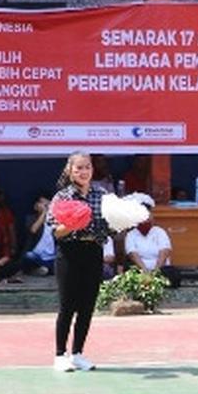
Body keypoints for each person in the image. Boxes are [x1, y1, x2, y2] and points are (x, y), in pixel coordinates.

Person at [45, 152, 113, 372]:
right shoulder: (62, 197)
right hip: (69, 254)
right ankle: (59, 355)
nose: (84, 172)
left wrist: (122, 220)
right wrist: (74, 223)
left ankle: (77, 353)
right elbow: (56, 232)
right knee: (67, 306)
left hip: (94, 252)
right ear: (70, 171)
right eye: (79, 168)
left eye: (87, 167)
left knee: (87, 306)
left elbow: (109, 226)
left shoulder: (102, 194)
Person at [123, 195, 181, 288]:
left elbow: (164, 252)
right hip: (141, 270)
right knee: (131, 276)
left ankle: (154, 281)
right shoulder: (131, 235)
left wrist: (155, 272)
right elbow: (133, 255)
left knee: (173, 275)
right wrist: (145, 271)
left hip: (159, 269)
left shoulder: (159, 232)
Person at [22, 193, 56, 276]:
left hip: (51, 258)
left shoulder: (55, 220)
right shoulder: (30, 218)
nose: (45, 206)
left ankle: (44, 270)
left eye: (48, 204)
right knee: (28, 257)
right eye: (42, 203)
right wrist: (44, 213)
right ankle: (37, 270)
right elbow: (33, 230)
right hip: (36, 257)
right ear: (36, 206)